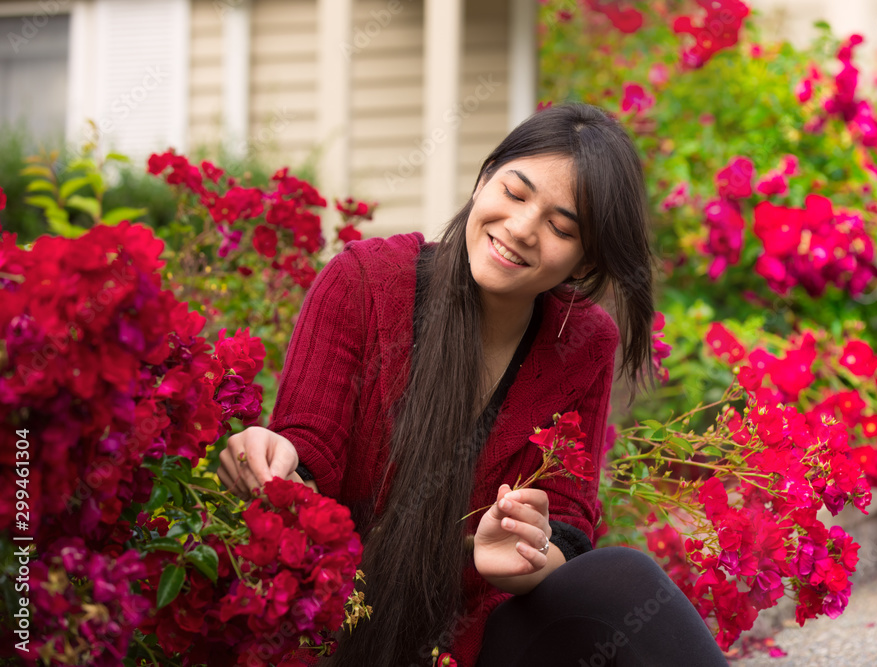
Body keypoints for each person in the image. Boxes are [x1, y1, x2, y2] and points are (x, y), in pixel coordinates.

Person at [218, 103, 728, 667]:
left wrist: (529, 553)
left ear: (584, 263)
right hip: (334, 637)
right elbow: (308, 445)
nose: (521, 228)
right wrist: (276, 458)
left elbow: (567, 523)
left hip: (471, 649)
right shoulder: (364, 282)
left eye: (561, 227)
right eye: (514, 192)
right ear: (485, 177)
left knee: (623, 579)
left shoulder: (583, 345)